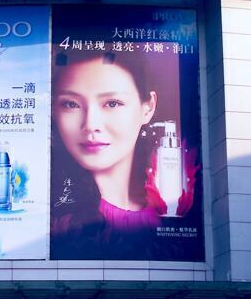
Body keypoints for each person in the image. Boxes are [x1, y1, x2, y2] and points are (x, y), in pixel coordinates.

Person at [50, 50, 199, 260]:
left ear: (148, 108)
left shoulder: (181, 206)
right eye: (71, 104)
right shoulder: (54, 216)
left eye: (112, 103)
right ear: (54, 111)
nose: (91, 125)